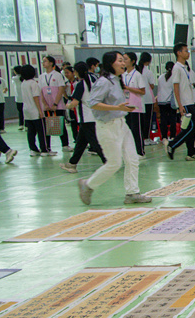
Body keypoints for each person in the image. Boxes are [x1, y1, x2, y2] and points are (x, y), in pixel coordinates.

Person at [77, 51, 151, 205]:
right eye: (120, 60)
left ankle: (132, 193)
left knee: (133, 158)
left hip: (121, 124)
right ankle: (88, 185)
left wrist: (122, 108)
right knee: (114, 163)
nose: (123, 63)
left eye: (124, 60)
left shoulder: (118, 80)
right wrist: (115, 107)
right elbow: (93, 103)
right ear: (110, 64)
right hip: (107, 127)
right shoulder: (103, 81)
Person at [61, 61, 106, 173]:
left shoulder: (80, 84)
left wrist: (67, 105)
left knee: (95, 142)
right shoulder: (93, 80)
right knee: (81, 142)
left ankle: (108, 162)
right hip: (95, 115)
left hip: (87, 118)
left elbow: (75, 102)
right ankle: (72, 163)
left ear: (76, 72)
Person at [166, 43, 195, 161]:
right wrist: (180, 105)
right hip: (185, 103)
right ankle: (172, 145)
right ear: (179, 53)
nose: (188, 53)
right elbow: (176, 88)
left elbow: (185, 85)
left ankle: (191, 152)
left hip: (191, 101)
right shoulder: (177, 68)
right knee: (191, 127)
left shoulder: (185, 68)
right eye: (186, 51)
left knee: (192, 128)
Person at [38, 56, 71, 153]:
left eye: (45, 61)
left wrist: (55, 104)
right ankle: (47, 146)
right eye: (43, 61)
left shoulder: (57, 75)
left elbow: (61, 89)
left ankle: (65, 145)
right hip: (46, 106)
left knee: (61, 125)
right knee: (46, 126)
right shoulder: (41, 76)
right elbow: (40, 91)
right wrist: (45, 104)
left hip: (58, 105)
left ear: (51, 63)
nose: (43, 63)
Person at [121, 52, 148, 158]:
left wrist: (128, 88)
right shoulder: (123, 75)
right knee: (128, 131)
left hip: (136, 107)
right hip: (126, 107)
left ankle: (140, 152)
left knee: (137, 131)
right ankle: (131, 152)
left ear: (132, 61)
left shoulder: (137, 75)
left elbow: (142, 91)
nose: (124, 61)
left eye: (126, 59)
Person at [17, 65, 48, 156]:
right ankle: (44, 149)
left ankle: (33, 149)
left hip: (26, 110)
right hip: (35, 110)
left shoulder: (23, 83)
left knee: (31, 131)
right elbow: (36, 98)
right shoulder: (33, 83)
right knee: (41, 131)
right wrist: (40, 111)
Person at [156, 61, 177, 144]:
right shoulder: (174, 77)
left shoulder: (161, 77)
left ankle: (164, 137)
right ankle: (172, 136)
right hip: (170, 101)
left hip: (161, 101)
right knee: (172, 119)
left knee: (163, 119)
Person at [139, 52, 157, 147]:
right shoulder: (148, 72)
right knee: (148, 119)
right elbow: (152, 85)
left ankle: (141, 137)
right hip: (148, 99)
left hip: (139, 99)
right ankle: (146, 138)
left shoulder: (137, 71)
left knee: (140, 120)